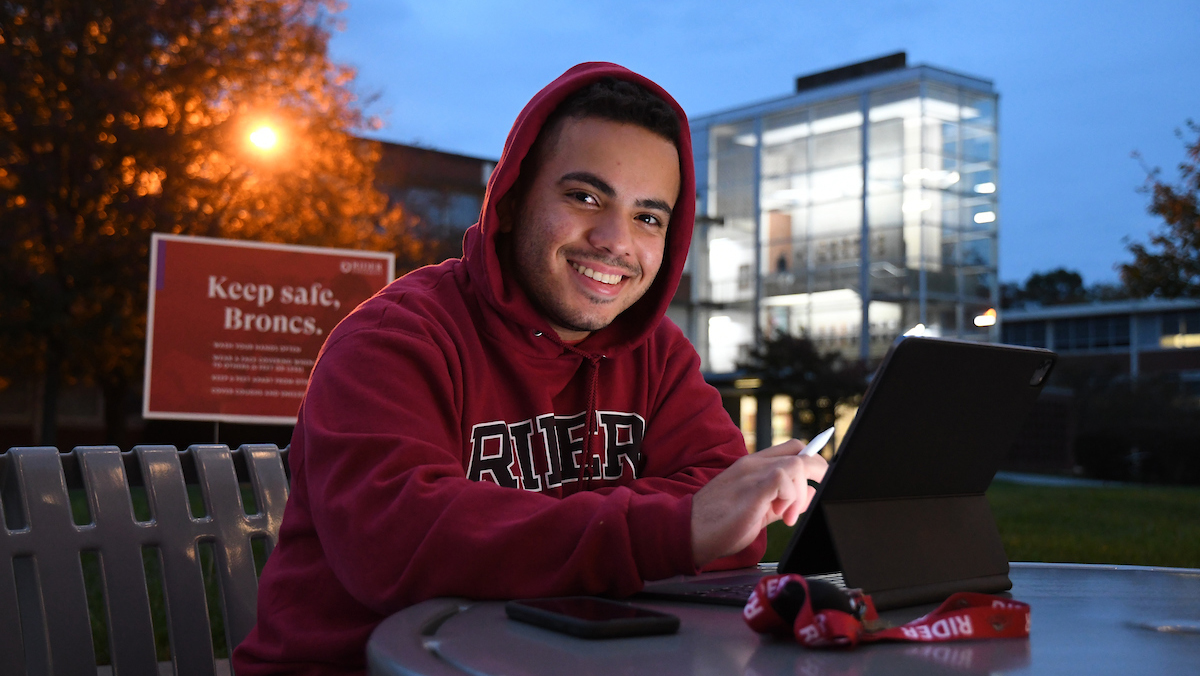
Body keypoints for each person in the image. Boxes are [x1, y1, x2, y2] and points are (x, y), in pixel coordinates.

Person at [233, 62, 828, 675]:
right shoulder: (395, 339)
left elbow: (731, 526)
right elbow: (399, 544)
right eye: (584, 197)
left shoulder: (658, 354)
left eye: (648, 217)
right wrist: (667, 527)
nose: (615, 240)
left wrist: (684, 522)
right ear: (512, 199)